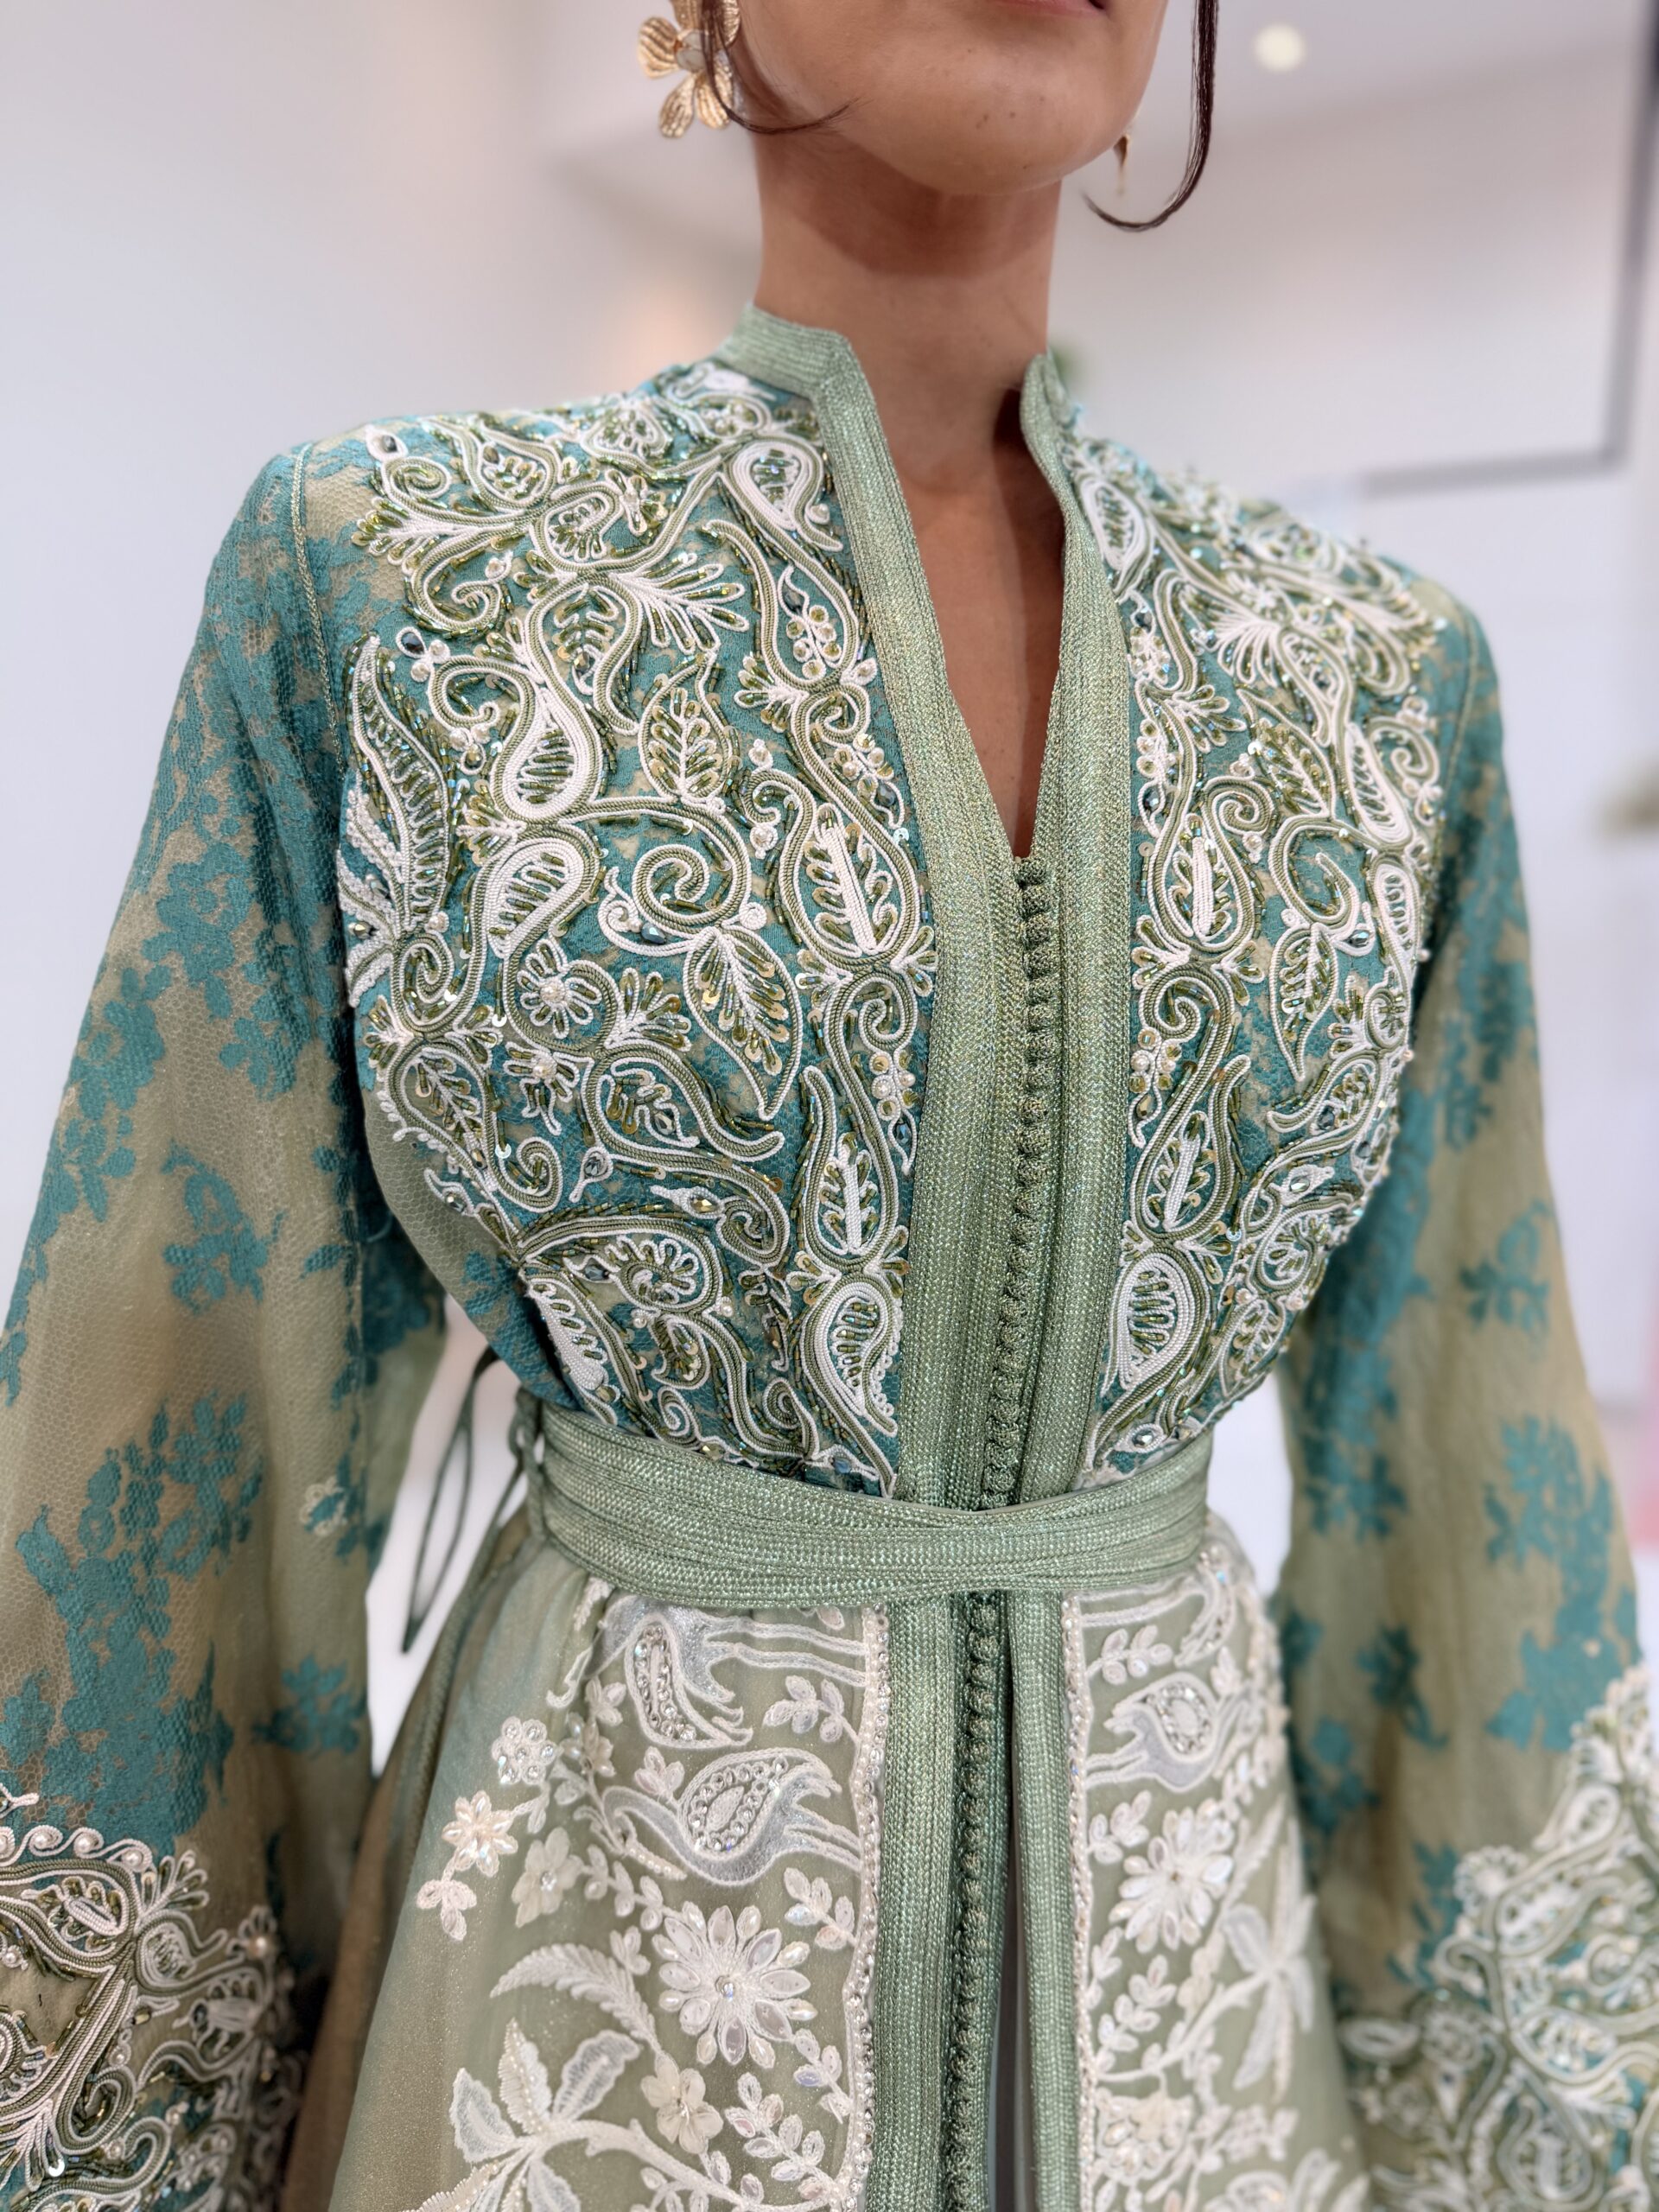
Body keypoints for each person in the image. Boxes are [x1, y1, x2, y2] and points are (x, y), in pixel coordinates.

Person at [2, 2, 1653, 2206]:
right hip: (589, 2032)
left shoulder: (1377, 682)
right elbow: (178, 1458)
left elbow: (1473, 1484)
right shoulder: (400, 583)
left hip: (1196, 2048)